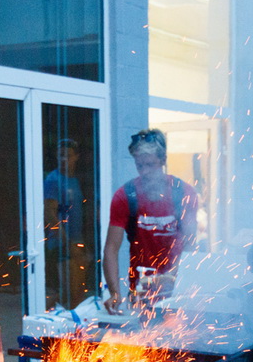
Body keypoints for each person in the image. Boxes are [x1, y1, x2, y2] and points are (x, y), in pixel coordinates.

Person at [102, 129, 198, 314]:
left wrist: (170, 278)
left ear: (163, 160)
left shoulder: (184, 193)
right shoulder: (125, 196)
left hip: (179, 291)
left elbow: (191, 246)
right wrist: (115, 292)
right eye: (140, 166)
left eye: (150, 165)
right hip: (141, 291)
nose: (144, 171)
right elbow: (111, 249)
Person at [43, 138, 92, 309]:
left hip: (77, 241)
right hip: (61, 244)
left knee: (78, 293)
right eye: (60, 156)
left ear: (76, 157)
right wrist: (66, 243)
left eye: (68, 156)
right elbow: (49, 213)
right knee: (67, 294)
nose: (64, 160)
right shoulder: (53, 180)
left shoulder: (75, 181)